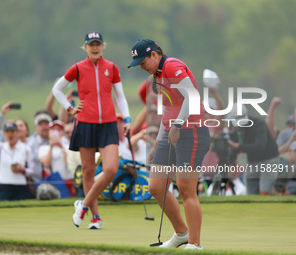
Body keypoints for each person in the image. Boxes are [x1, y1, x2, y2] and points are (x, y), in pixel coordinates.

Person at [128, 39, 210, 250]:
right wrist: (157, 144)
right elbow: (169, 111)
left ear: (154, 54)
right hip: (171, 133)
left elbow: (191, 96)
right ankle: (182, 233)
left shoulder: (172, 66)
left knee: (185, 188)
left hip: (192, 132)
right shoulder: (157, 77)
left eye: (143, 62)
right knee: (156, 186)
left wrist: (178, 125)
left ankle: (195, 243)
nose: (142, 67)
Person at [52, 31, 131, 230]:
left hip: (108, 124)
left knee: (111, 169)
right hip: (85, 123)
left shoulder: (111, 67)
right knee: (88, 171)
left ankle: (83, 205)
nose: (94, 47)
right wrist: (70, 108)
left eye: (98, 44)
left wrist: (127, 118)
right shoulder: (77, 68)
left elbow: (120, 97)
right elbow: (57, 90)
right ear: (85, 47)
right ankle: (96, 218)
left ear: (103, 45)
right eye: (91, 44)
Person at [227, 103, 280, 195]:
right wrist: (231, 163)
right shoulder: (234, 128)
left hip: (268, 160)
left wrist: (238, 146)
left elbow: (259, 147)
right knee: (251, 193)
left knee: (264, 192)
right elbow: (234, 147)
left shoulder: (259, 124)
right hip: (251, 161)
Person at [0, 120, 34, 201]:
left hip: (21, 188)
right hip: (3, 188)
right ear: (4, 134)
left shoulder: (26, 149)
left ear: (17, 133)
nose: (10, 134)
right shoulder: (1, 148)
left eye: (12, 131)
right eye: (7, 132)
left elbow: (32, 171)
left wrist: (22, 170)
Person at [27, 110, 52, 197]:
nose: (44, 127)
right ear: (36, 128)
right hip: (36, 184)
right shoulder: (30, 145)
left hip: (59, 183)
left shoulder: (61, 141)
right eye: (41, 124)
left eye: (46, 124)